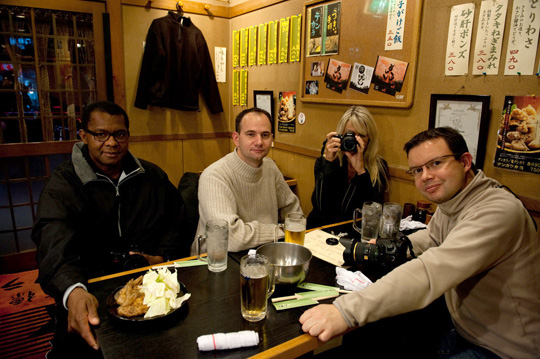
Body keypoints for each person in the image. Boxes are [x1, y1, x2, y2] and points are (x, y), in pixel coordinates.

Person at [300, 127, 540, 358]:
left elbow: (431, 270)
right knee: (376, 337)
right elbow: (433, 237)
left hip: (501, 347)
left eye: (436, 163)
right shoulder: (455, 199)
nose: (426, 176)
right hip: (463, 326)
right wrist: (395, 248)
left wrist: (345, 311)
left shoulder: (497, 211)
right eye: (417, 170)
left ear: (465, 162)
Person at [32, 101, 190, 358]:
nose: (112, 142)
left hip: (149, 286)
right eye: (101, 134)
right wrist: (74, 290)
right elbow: (53, 242)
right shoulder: (63, 185)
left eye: (119, 134)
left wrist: (161, 256)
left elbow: (178, 222)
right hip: (90, 287)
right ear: (84, 136)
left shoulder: (151, 176)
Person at [193, 107, 302, 254]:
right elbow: (230, 238)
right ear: (236, 139)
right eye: (251, 134)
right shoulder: (214, 176)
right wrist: (279, 231)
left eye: (265, 135)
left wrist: (286, 230)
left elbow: (294, 212)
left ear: (271, 138)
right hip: (216, 261)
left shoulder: (270, 167)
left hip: (262, 253)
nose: (259, 142)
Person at [307, 106, 388, 228]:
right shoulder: (325, 162)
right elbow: (320, 206)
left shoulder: (377, 167)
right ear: (340, 136)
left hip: (351, 234)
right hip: (321, 230)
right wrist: (328, 163)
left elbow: (372, 213)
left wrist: (361, 172)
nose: (354, 141)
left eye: (361, 136)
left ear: (369, 138)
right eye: (350, 135)